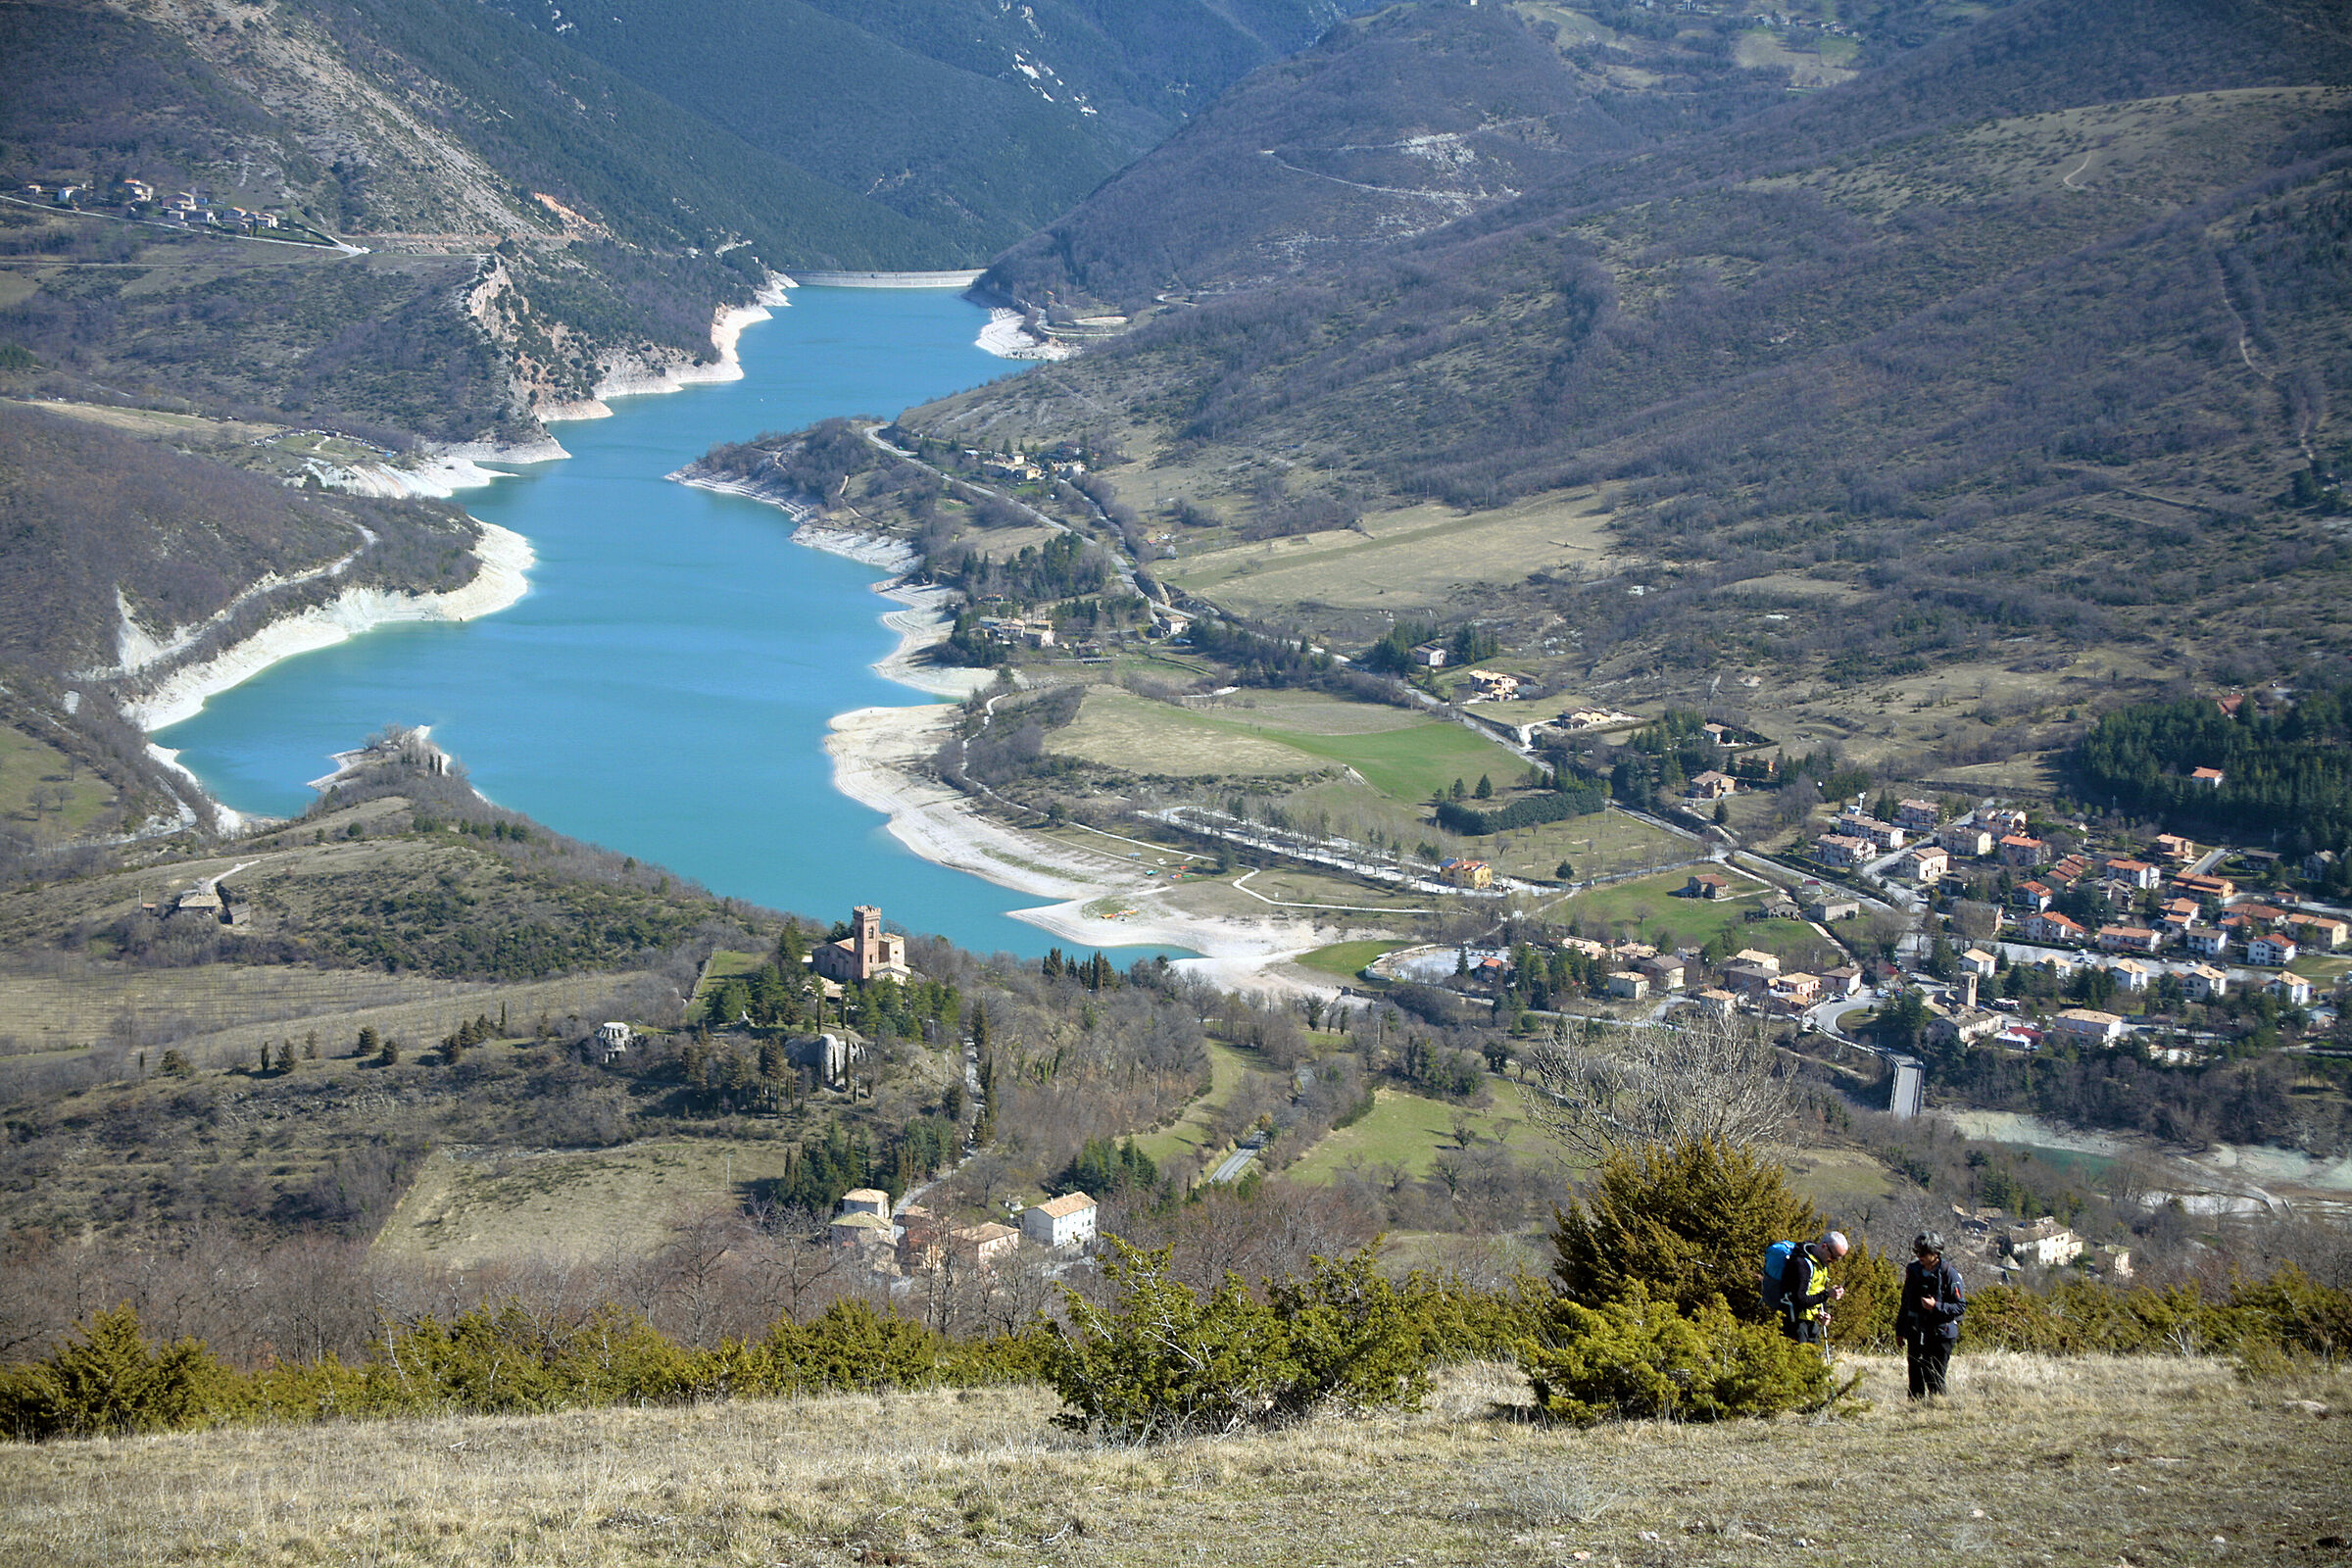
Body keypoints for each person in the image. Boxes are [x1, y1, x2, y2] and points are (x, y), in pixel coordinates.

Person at [1893, 1230, 1966, 1398]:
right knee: (1915, 1375)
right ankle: (1913, 1411)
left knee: (1935, 1377)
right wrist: (1900, 1330)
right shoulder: (1913, 1270)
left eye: (1923, 1253)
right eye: (1917, 1252)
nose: (1919, 1256)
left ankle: (1938, 1411)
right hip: (1916, 1330)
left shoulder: (1950, 1274)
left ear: (1935, 1253)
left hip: (1941, 1333)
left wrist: (1936, 1307)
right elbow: (1905, 1303)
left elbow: (1960, 1306)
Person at [1781, 1230, 1848, 1344]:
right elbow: (1800, 1299)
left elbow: (1817, 1290)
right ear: (1824, 1246)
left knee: (1814, 1358)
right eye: (1833, 1257)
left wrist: (1822, 1314)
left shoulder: (1822, 1263)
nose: (1834, 1261)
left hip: (1811, 1320)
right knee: (1800, 1358)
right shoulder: (1801, 1263)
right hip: (1795, 1321)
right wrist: (1827, 1294)